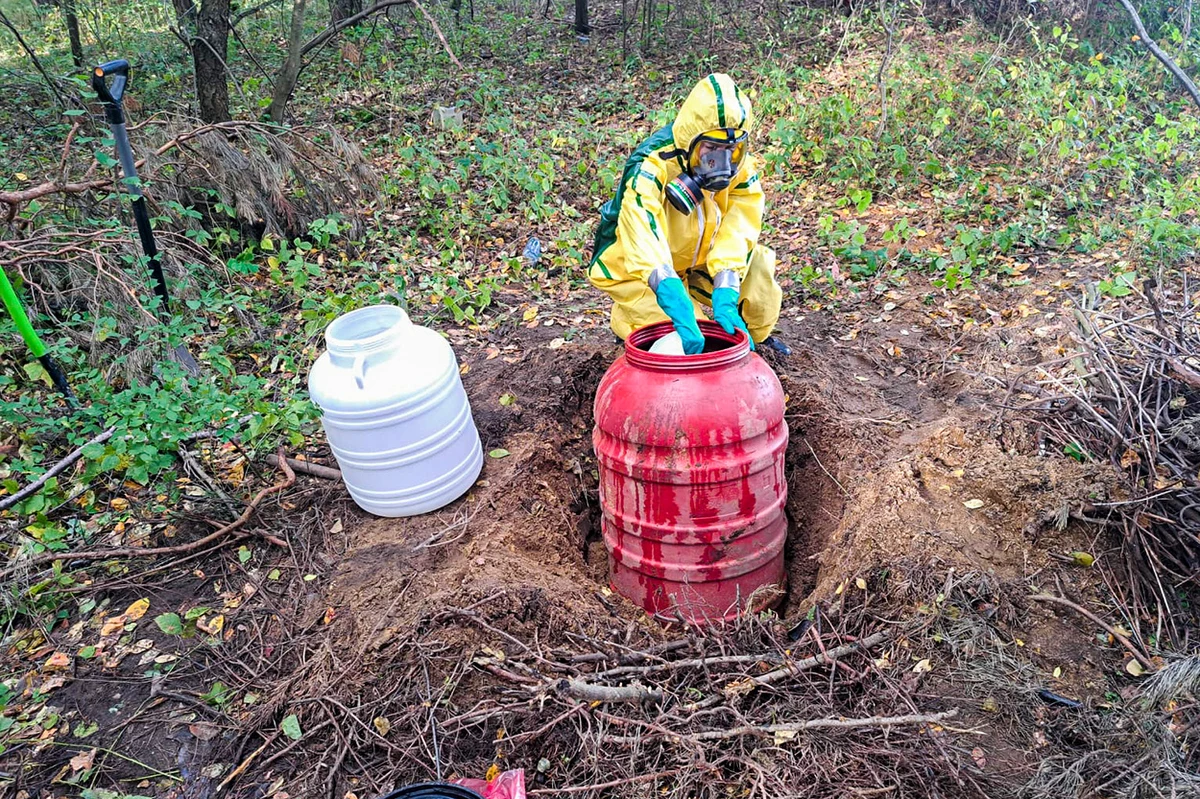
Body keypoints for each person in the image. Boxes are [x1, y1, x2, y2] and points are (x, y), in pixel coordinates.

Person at [587, 73, 788, 355]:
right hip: (640, 267)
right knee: (683, 338)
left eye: (730, 150)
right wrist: (668, 288)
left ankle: (752, 344)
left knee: (759, 273)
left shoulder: (741, 167)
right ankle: (632, 322)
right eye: (711, 149)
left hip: (700, 258)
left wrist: (727, 283)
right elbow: (641, 230)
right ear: (690, 140)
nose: (721, 162)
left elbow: (741, 224)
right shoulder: (652, 163)